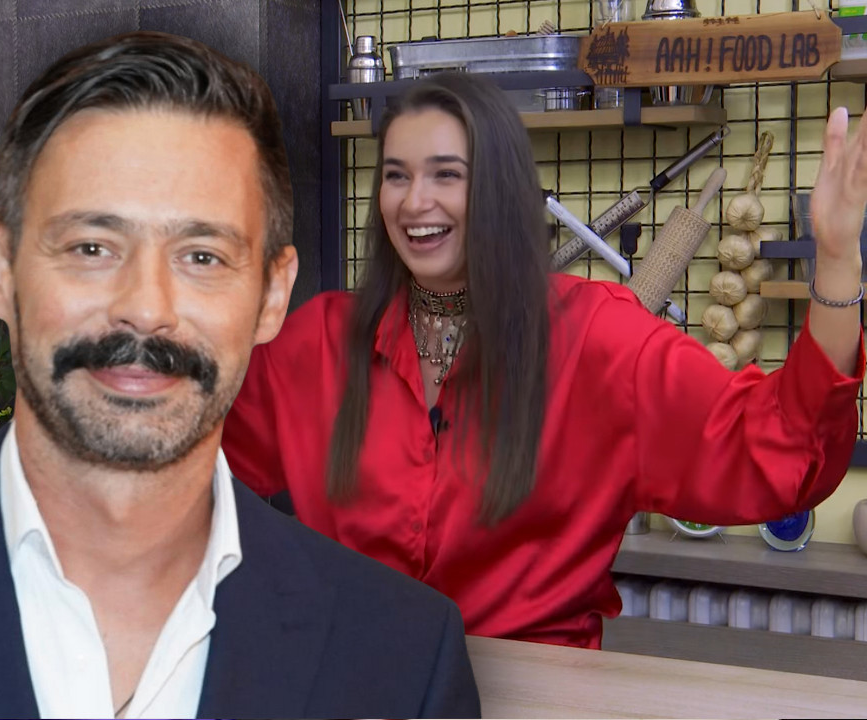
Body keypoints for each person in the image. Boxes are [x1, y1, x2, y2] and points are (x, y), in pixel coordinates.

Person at [0, 31, 481, 720]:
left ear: (273, 296)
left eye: (202, 257)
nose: (145, 309)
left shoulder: (402, 654)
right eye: (92, 248)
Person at [223, 71, 866, 650]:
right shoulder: (318, 341)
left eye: (446, 174)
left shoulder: (600, 339)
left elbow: (782, 449)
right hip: (355, 689)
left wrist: (836, 258)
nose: (415, 201)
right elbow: (198, 466)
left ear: (501, 188)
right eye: (396, 175)